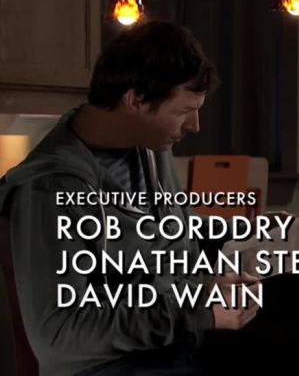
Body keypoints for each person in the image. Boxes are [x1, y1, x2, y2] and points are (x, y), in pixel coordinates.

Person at [0, 21, 259, 376]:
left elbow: (175, 237)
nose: (194, 126)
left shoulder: (150, 147)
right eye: (184, 111)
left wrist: (253, 238)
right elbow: (60, 334)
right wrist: (196, 309)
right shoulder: (51, 188)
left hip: (176, 346)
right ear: (135, 99)